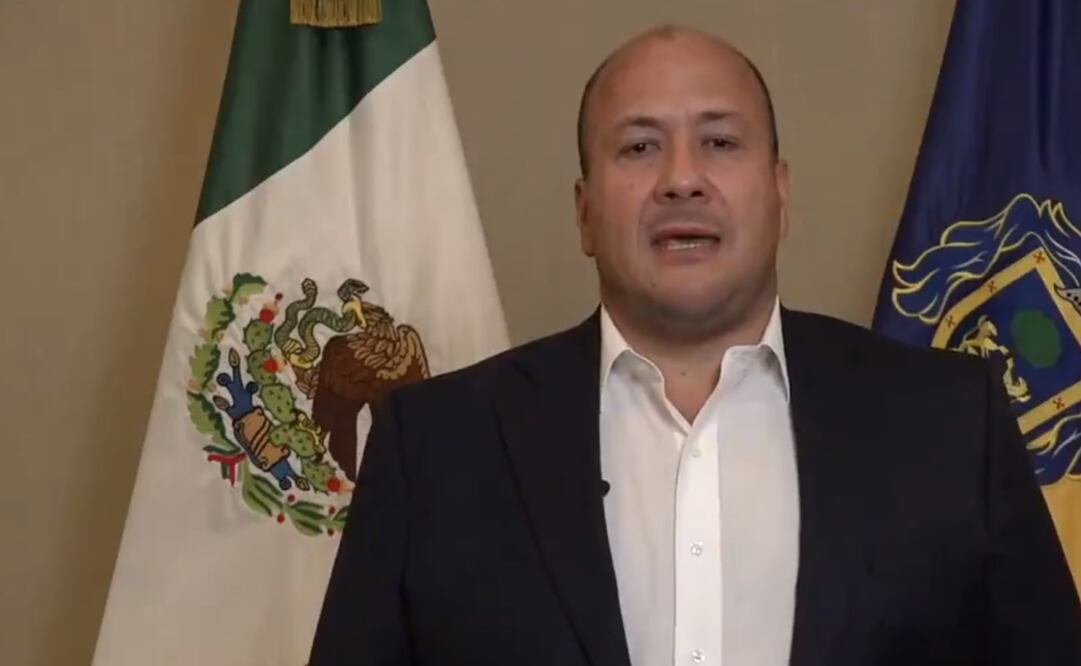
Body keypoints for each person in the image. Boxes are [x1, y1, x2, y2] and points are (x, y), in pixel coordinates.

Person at [309, 25, 1081, 666]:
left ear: (779, 195)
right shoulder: (436, 442)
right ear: (583, 212)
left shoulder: (948, 422)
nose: (681, 179)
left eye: (718, 141)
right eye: (639, 148)